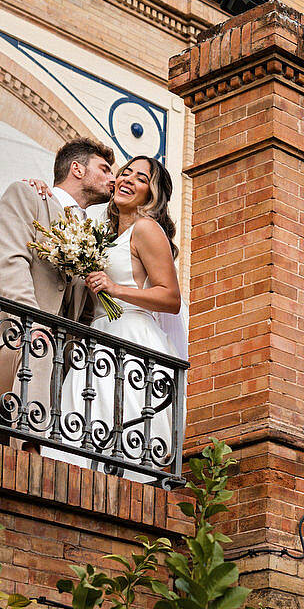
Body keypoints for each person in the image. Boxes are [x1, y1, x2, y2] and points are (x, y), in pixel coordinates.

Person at [0, 138, 115, 431]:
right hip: (7, 344)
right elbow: (12, 264)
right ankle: (30, 456)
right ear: (77, 169)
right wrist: (32, 322)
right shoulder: (27, 196)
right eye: (104, 170)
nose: (112, 179)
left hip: (62, 360)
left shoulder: (94, 235)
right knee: (40, 346)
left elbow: (86, 312)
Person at [58, 155, 183, 474]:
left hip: (132, 335)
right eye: (125, 173)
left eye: (141, 178)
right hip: (98, 338)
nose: (127, 179)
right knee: (84, 427)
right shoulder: (102, 234)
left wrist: (115, 289)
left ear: (151, 194)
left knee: (125, 433)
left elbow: (170, 298)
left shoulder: (146, 229)